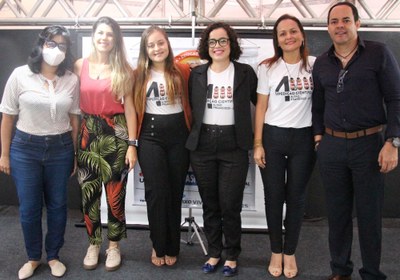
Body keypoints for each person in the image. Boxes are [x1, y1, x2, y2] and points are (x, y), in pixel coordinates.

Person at [312, 2, 400, 280]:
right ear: (327, 27)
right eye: (334, 21)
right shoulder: (322, 62)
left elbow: (396, 98)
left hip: (370, 145)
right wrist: (318, 138)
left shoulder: (378, 53)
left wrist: (393, 141)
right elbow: (317, 104)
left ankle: (372, 273)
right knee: (337, 215)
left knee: (369, 216)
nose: (340, 25)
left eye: (345, 20)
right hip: (332, 146)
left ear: (357, 24)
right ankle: (340, 270)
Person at [0, 25, 79, 279]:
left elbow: (75, 119)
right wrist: (4, 154)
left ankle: (54, 255)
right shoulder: (19, 75)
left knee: (58, 206)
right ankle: (33, 257)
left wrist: (76, 154)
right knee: (29, 208)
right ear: (41, 45)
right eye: (51, 44)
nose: (56, 50)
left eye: (62, 46)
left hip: (61, 148)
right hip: (25, 149)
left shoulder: (71, 79)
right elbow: (7, 118)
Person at [186, 22, 257, 277]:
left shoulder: (246, 73)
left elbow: (262, 104)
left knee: (230, 204)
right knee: (210, 204)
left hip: (234, 145)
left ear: (231, 44)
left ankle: (232, 255)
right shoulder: (196, 74)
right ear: (206, 46)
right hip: (202, 145)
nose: (218, 46)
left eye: (223, 40)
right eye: (213, 41)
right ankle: (214, 253)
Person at [254, 14, 315, 279]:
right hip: (273, 138)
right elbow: (261, 109)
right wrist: (258, 143)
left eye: (293, 31)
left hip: (304, 139)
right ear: (276, 40)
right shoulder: (267, 68)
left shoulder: (316, 65)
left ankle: (290, 252)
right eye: (282, 33)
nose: (288, 37)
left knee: (297, 198)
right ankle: (275, 251)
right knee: (274, 197)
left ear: (302, 35)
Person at [74, 16, 137, 272]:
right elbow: (73, 108)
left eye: (110, 34)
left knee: (115, 194)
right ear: (93, 35)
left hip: (117, 132)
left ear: (116, 39)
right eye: (101, 33)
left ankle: (113, 246)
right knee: (89, 193)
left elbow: (130, 108)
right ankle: (93, 243)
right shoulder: (80, 65)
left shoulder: (125, 68)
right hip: (88, 132)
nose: (105, 38)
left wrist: (132, 144)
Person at [132, 25, 191, 267]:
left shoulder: (184, 70)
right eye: (151, 45)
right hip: (150, 138)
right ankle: (158, 245)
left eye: (160, 43)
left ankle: (172, 246)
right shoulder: (137, 75)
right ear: (145, 50)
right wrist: (132, 144)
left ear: (168, 44)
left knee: (175, 192)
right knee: (157, 194)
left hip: (179, 138)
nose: (157, 48)